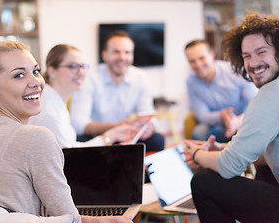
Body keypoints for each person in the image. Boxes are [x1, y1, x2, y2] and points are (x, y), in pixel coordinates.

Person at [0, 40, 133, 223]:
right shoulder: (37, 137)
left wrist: (99, 220)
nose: (36, 82)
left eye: (36, 71)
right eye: (19, 75)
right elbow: (70, 220)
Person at [184, 13, 279, 223]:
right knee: (264, 170)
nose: (253, 63)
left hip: (236, 123)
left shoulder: (271, 93)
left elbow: (229, 167)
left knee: (204, 180)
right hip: (227, 128)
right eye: (246, 56)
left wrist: (198, 154)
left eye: (261, 52)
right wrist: (227, 149)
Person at [70, 30, 164, 152]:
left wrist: (148, 128)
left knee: (158, 140)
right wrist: (116, 128)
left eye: (127, 52)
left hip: (126, 134)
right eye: (116, 52)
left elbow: (149, 115)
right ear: (104, 55)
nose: (122, 57)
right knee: (79, 140)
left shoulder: (140, 77)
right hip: (98, 138)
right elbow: (78, 124)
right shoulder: (88, 78)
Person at [29, 44, 138, 148]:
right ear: (52, 71)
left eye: (83, 66)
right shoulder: (48, 111)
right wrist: (109, 137)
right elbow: (71, 154)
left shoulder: (55, 101)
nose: (81, 72)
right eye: (73, 66)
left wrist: (112, 136)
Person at [185, 39, 257, 142]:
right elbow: (202, 115)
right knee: (199, 133)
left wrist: (239, 121)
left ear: (211, 55)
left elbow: (256, 103)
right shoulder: (191, 82)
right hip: (217, 124)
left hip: (244, 120)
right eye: (192, 61)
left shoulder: (235, 71)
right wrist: (221, 116)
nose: (198, 65)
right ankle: (205, 157)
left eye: (202, 58)